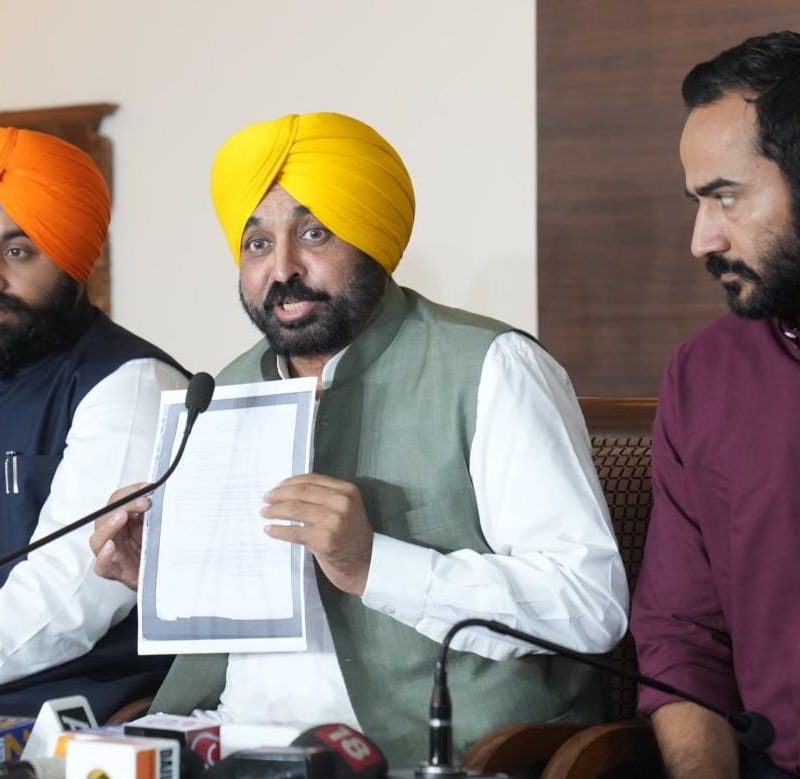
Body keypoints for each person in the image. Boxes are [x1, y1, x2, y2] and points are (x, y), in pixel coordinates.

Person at [91, 111, 628, 765]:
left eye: (314, 233)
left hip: (432, 752)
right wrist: (162, 579)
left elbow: (589, 605)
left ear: (374, 236)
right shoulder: (223, 391)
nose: (283, 268)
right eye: (257, 243)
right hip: (238, 741)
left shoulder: (492, 367)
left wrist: (374, 564)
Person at [631, 31, 800, 779]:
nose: (702, 240)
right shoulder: (704, 374)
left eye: (725, 197)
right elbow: (682, 636)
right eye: (698, 203)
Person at [0, 127, 189, 721]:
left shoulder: (131, 384)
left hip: (78, 713)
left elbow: (68, 599)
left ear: (74, 257)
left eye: (18, 251)